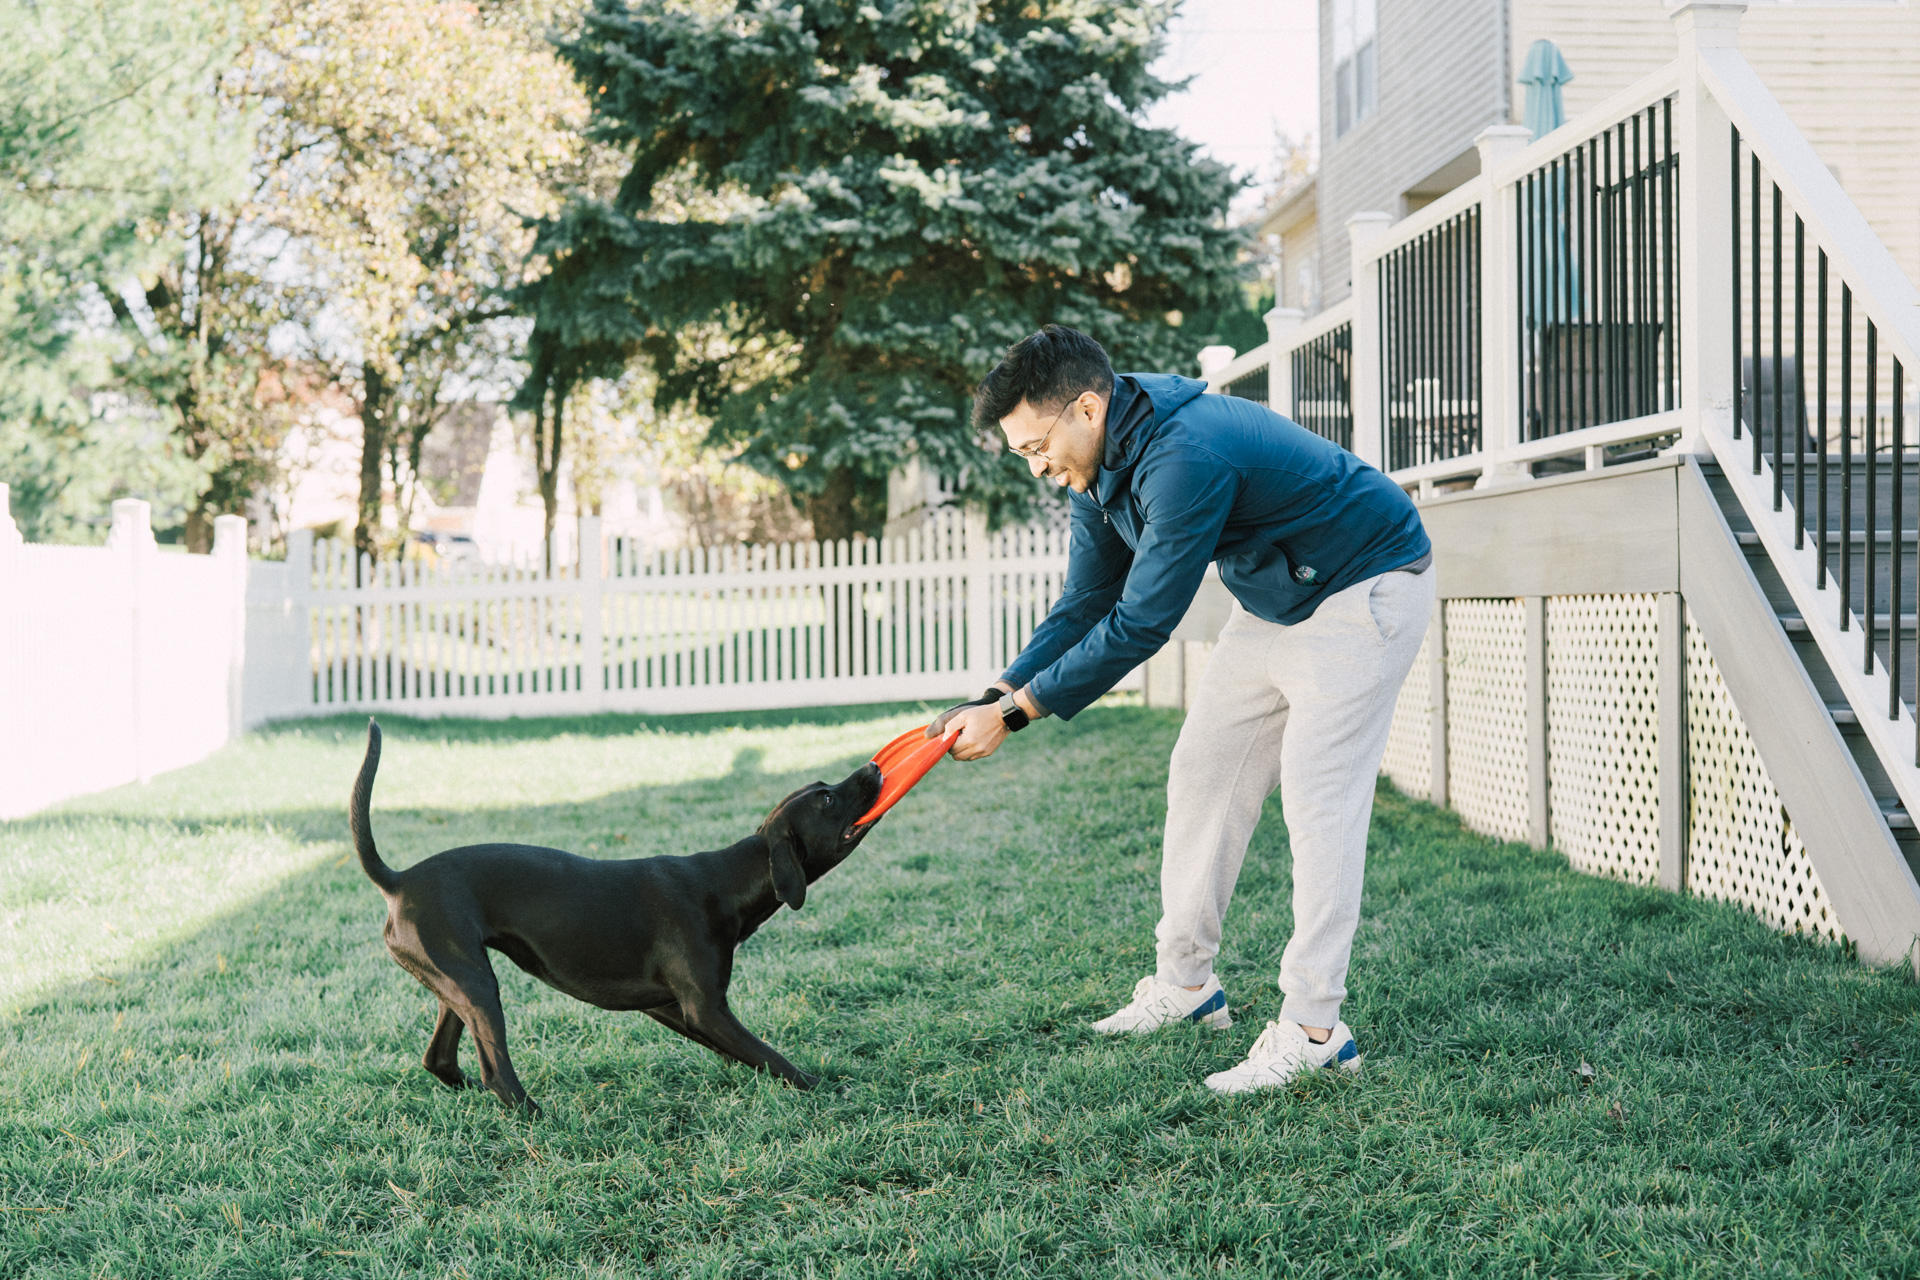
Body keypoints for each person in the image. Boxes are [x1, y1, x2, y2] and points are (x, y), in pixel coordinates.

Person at [931, 325, 1434, 1093]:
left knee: (1319, 794)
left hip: (1365, 582)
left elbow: (1142, 620)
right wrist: (996, 695)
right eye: (1023, 453)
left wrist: (1019, 714)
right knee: (1204, 770)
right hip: (1276, 597)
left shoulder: (1185, 453)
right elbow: (1087, 600)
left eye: (1036, 446)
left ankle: (1315, 1030)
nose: (1035, 466)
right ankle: (1188, 986)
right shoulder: (1097, 468)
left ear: (1087, 409)